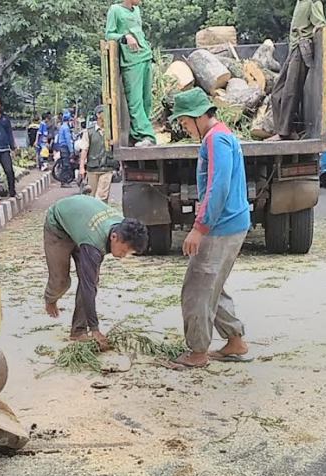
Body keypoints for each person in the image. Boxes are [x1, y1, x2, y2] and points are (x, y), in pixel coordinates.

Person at [166, 88, 251, 370]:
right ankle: (235, 340)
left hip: (221, 226)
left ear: (199, 116)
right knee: (212, 285)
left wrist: (199, 229)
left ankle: (198, 352)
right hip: (230, 223)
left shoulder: (215, 140)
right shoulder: (221, 136)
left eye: (185, 122)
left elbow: (218, 188)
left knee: (196, 289)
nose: (184, 127)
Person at [43, 195, 149, 349]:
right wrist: (95, 329)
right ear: (114, 237)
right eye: (124, 250)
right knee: (61, 282)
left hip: (83, 226)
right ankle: (50, 299)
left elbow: (89, 282)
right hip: (58, 227)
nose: (124, 256)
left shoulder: (123, 227)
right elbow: (88, 287)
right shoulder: (94, 243)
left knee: (91, 279)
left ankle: (78, 331)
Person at [267, 0, 326, 141]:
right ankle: (286, 130)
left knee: (290, 91)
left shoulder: (313, 2)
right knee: (277, 92)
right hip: (293, 49)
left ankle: (284, 133)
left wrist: (308, 37)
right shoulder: (300, 2)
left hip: (301, 49)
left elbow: (321, 25)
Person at [105, 0, 157, 148]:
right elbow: (109, 34)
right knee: (135, 101)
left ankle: (137, 135)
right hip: (131, 61)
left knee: (146, 100)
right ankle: (146, 135)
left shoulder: (136, 10)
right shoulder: (115, 10)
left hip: (145, 56)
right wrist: (125, 37)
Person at [79, 105, 117, 202]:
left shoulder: (112, 132)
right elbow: (84, 150)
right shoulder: (89, 132)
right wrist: (82, 167)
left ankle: (101, 210)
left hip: (107, 168)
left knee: (102, 196)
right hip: (92, 168)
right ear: (98, 115)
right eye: (104, 113)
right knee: (91, 196)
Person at [56, 111, 76, 187]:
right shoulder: (66, 128)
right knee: (66, 165)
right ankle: (64, 182)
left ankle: (65, 181)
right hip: (65, 148)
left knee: (64, 164)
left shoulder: (62, 127)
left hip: (62, 147)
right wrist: (71, 151)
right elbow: (68, 140)